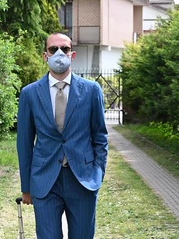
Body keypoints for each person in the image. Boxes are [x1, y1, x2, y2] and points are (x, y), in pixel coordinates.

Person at [17, 33, 108, 238]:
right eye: (53, 49)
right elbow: (24, 143)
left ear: (72, 54)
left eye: (65, 49)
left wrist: (98, 173)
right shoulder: (29, 93)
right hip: (45, 181)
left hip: (83, 180)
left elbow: (100, 136)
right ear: (45, 55)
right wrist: (26, 187)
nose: (59, 53)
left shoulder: (92, 91)